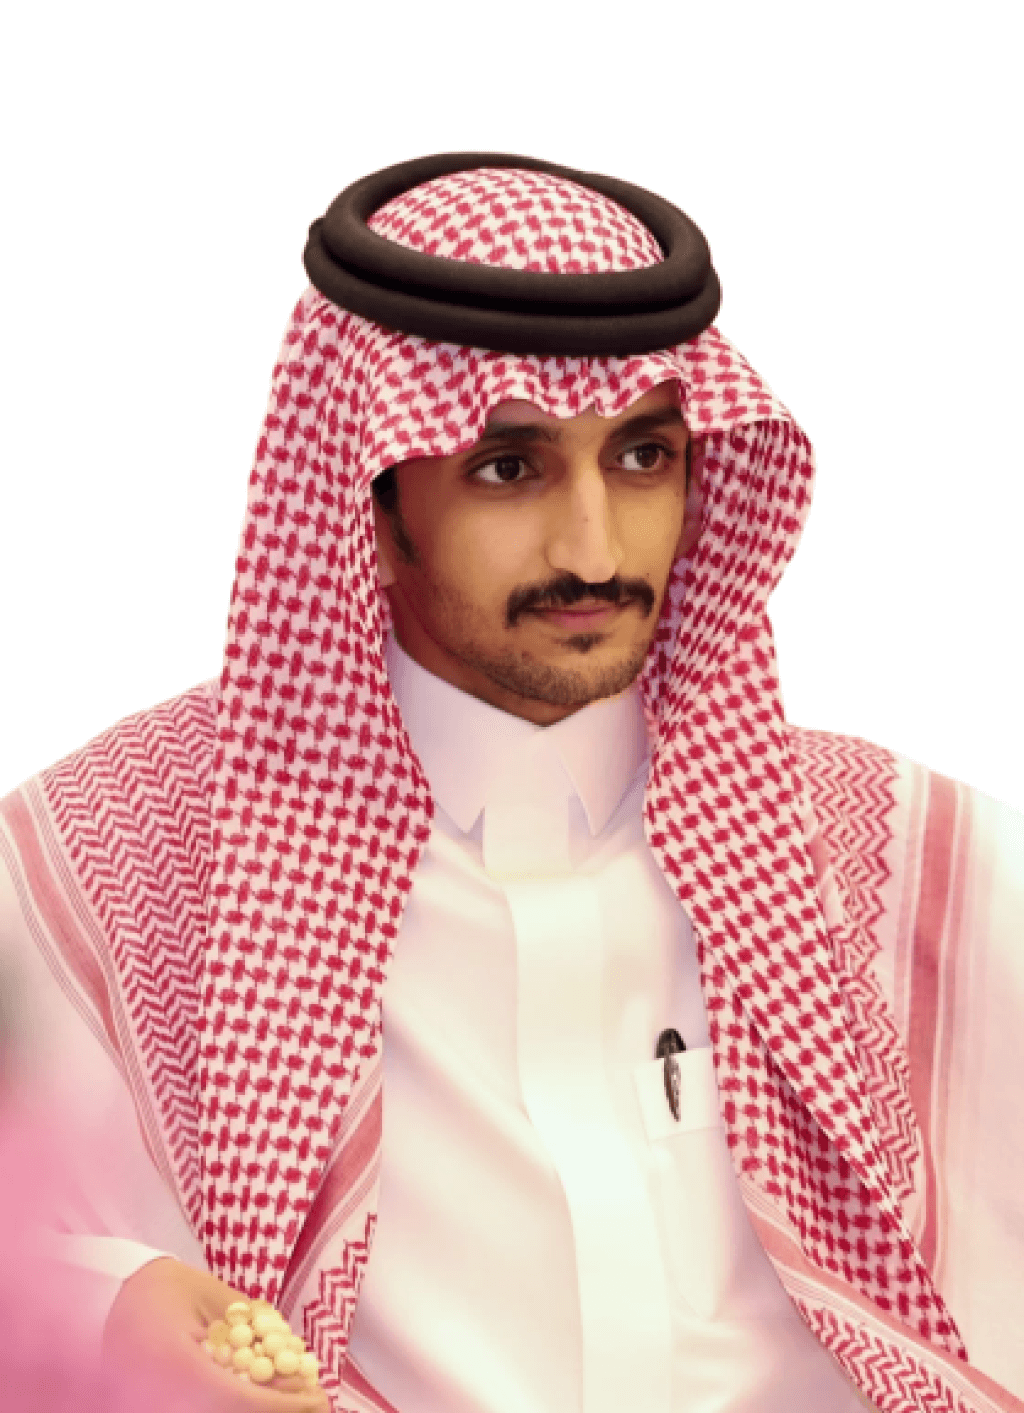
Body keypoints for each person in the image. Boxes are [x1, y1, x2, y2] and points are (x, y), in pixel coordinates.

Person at [0, 152, 1021, 1413]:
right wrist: (115, 1307)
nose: (592, 548)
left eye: (641, 457)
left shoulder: (900, 858)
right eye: (509, 469)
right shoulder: (118, 852)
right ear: (368, 505)